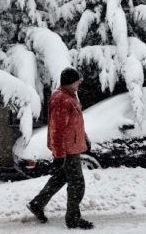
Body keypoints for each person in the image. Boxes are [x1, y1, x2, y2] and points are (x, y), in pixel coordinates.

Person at [27, 67, 94, 230]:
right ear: (71, 82)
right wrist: (59, 154)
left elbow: (74, 123)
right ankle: (73, 219)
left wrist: (84, 138)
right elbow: (57, 129)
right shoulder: (61, 99)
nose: (79, 83)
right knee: (77, 184)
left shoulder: (70, 96)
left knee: (60, 178)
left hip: (71, 147)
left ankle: (37, 204)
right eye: (78, 80)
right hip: (67, 150)